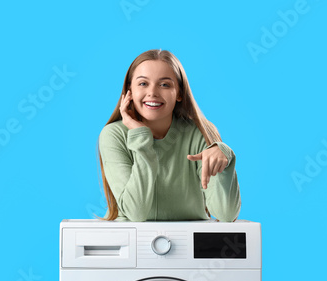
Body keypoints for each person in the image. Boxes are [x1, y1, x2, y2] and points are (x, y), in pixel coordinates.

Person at [98, 49, 240, 221]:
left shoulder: (199, 133)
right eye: (143, 84)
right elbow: (136, 213)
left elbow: (226, 215)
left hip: (189, 242)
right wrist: (140, 137)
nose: (153, 93)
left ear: (179, 93)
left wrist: (225, 155)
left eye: (164, 84)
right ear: (130, 91)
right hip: (131, 240)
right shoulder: (114, 135)